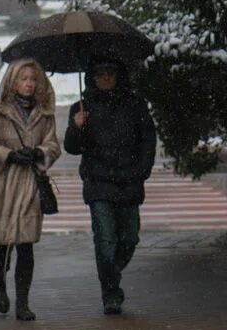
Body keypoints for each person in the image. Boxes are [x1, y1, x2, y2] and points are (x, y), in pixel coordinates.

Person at [63, 58, 157, 315]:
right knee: (105, 239)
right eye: (100, 73)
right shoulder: (81, 108)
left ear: (118, 75)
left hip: (129, 180)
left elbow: (148, 140)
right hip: (99, 182)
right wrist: (76, 127)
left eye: (110, 73)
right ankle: (111, 292)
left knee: (129, 238)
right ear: (91, 77)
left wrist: (141, 171)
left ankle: (110, 272)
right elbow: (72, 147)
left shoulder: (135, 105)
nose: (105, 78)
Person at [0, 58, 60, 321]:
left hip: (30, 184)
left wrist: (39, 152)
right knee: (2, 245)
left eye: (33, 79)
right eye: (24, 79)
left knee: (26, 245)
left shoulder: (44, 113)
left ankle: (23, 302)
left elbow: (53, 145)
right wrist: (8, 155)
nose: (29, 84)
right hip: (2, 186)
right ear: (13, 81)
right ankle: (0, 286)